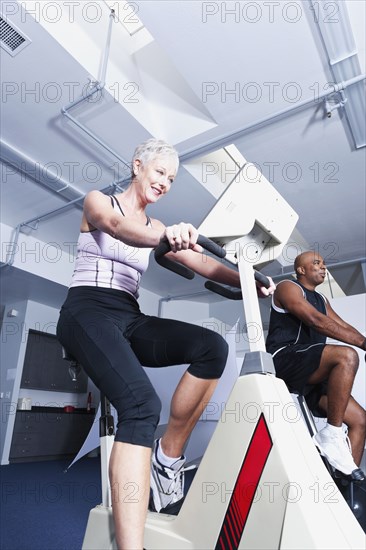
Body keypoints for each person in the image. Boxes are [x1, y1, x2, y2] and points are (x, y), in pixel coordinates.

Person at [56, 138, 275, 550]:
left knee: (212, 347)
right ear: (138, 165)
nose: (165, 183)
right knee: (141, 405)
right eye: (160, 173)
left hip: (128, 314)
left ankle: (167, 458)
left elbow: (204, 263)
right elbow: (120, 229)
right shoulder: (99, 202)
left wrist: (250, 279)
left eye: (172, 179)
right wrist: (166, 238)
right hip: (85, 310)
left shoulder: (159, 229)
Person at [266, 250, 366, 482]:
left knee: (360, 419)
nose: (323, 267)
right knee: (347, 356)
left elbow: (341, 325)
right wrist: (361, 344)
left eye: (324, 264)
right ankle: (331, 435)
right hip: (285, 360)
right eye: (316, 263)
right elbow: (316, 321)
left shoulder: (321, 300)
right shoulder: (287, 287)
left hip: (310, 371)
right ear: (301, 270)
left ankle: (342, 489)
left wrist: (365, 343)